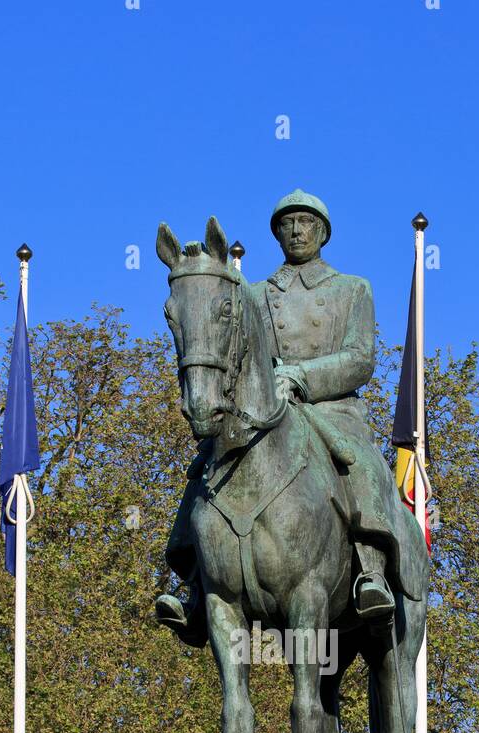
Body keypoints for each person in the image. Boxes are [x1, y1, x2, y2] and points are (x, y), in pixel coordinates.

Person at [156, 189, 411, 645]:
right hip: (268, 408)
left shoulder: (351, 289)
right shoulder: (254, 293)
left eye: (305, 223)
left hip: (331, 408)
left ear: (323, 232)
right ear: (276, 234)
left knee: (362, 465)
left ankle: (369, 571)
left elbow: (360, 359)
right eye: (287, 224)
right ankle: (195, 584)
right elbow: (237, 351)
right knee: (206, 466)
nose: (296, 231)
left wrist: (302, 376)